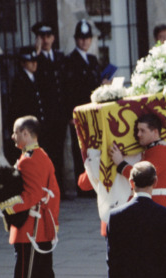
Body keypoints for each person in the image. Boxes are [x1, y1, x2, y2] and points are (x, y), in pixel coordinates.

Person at [103, 113, 166, 278]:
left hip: (155, 205)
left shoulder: (162, 150)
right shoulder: (149, 150)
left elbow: (143, 176)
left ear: (155, 131)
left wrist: (121, 163)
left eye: (142, 130)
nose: (138, 135)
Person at [0, 116, 61, 278]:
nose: (13, 136)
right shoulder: (42, 156)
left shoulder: (28, 161)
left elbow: (30, 196)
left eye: (15, 132)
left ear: (26, 134)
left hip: (30, 230)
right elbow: (53, 193)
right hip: (42, 229)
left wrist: (4, 206)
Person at [65, 20, 102, 196]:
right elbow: (68, 90)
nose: (84, 42)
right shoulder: (70, 60)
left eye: (87, 38)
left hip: (94, 113)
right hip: (80, 113)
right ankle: (84, 187)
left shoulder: (93, 59)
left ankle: (94, 182)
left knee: (95, 147)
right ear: (76, 39)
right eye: (81, 38)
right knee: (81, 149)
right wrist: (70, 114)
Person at [32, 21, 67, 195]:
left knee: (59, 153)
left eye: (48, 36)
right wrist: (36, 53)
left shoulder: (60, 57)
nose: (45, 40)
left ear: (53, 38)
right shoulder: (35, 59)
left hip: (59, 114)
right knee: (47, 153)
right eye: (42, 37)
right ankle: (49, 189)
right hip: (45, 115)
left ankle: (60, 187)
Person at [9, 47, 45, 165]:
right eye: (31, 61)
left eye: (36, 61)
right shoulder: (20, 81)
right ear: (23, 63)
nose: (35, 64)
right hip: (27, 130)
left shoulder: (34, 77)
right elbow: (19, 108)